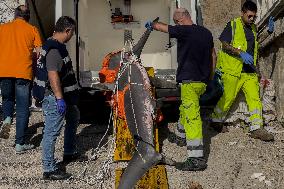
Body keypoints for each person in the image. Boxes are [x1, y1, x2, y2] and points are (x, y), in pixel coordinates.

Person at [145, 8, 216, 171]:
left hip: (190, 82)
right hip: (202, 82)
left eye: (176, 23)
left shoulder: (184, 31)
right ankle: (180, 136)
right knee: (185, 108)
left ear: (179, 21)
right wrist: (209, 78)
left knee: (192, 117)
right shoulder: (206, 32)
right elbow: (214, 56)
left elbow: (164, 28)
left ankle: (196, 158)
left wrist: (153, 24)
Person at [210, 1, 274, 141]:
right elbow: (224, 44)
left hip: (249, 71)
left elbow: (258, 42)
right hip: (233, 70)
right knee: (228, 98)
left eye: (254, 17)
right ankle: (215, 121)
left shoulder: (254, 28)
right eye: (250, 16)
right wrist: (240, 53)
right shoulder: (232, 25)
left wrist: (268, 32)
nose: (252, 19)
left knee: (255, 99)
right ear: (243, 13)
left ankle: (257, 128)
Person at [33, 16, 80, 180]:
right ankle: (49, 169)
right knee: (51, 132)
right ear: (67, 31)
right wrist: (59, 99)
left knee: (74, 117)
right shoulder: (54, 50)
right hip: (53, 98)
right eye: (72, 32)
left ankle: (69, 152)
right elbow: (53, 76)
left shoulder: (55, 44)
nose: (73, 35)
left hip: (64, 96)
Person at [0, 5, 42, 153]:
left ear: (15, 15)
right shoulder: (32, 29)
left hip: (4, 71)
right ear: (28, 16)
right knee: (23, 107)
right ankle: (19, 144)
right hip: (23, 72)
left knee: (7, 99)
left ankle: (7, 118)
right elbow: (39, 53)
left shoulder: (2, 28)